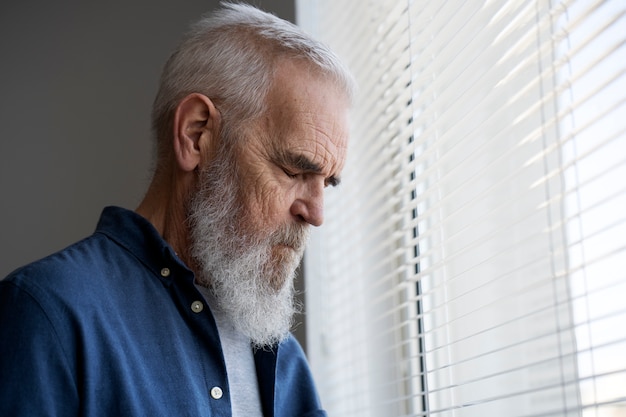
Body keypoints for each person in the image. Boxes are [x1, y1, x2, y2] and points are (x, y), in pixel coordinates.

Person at [0, 3, 355, 416]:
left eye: (327, 183)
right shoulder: (48, 316)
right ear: (196, 134)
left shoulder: (284, 361)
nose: (316, 213)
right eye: (294, 169)